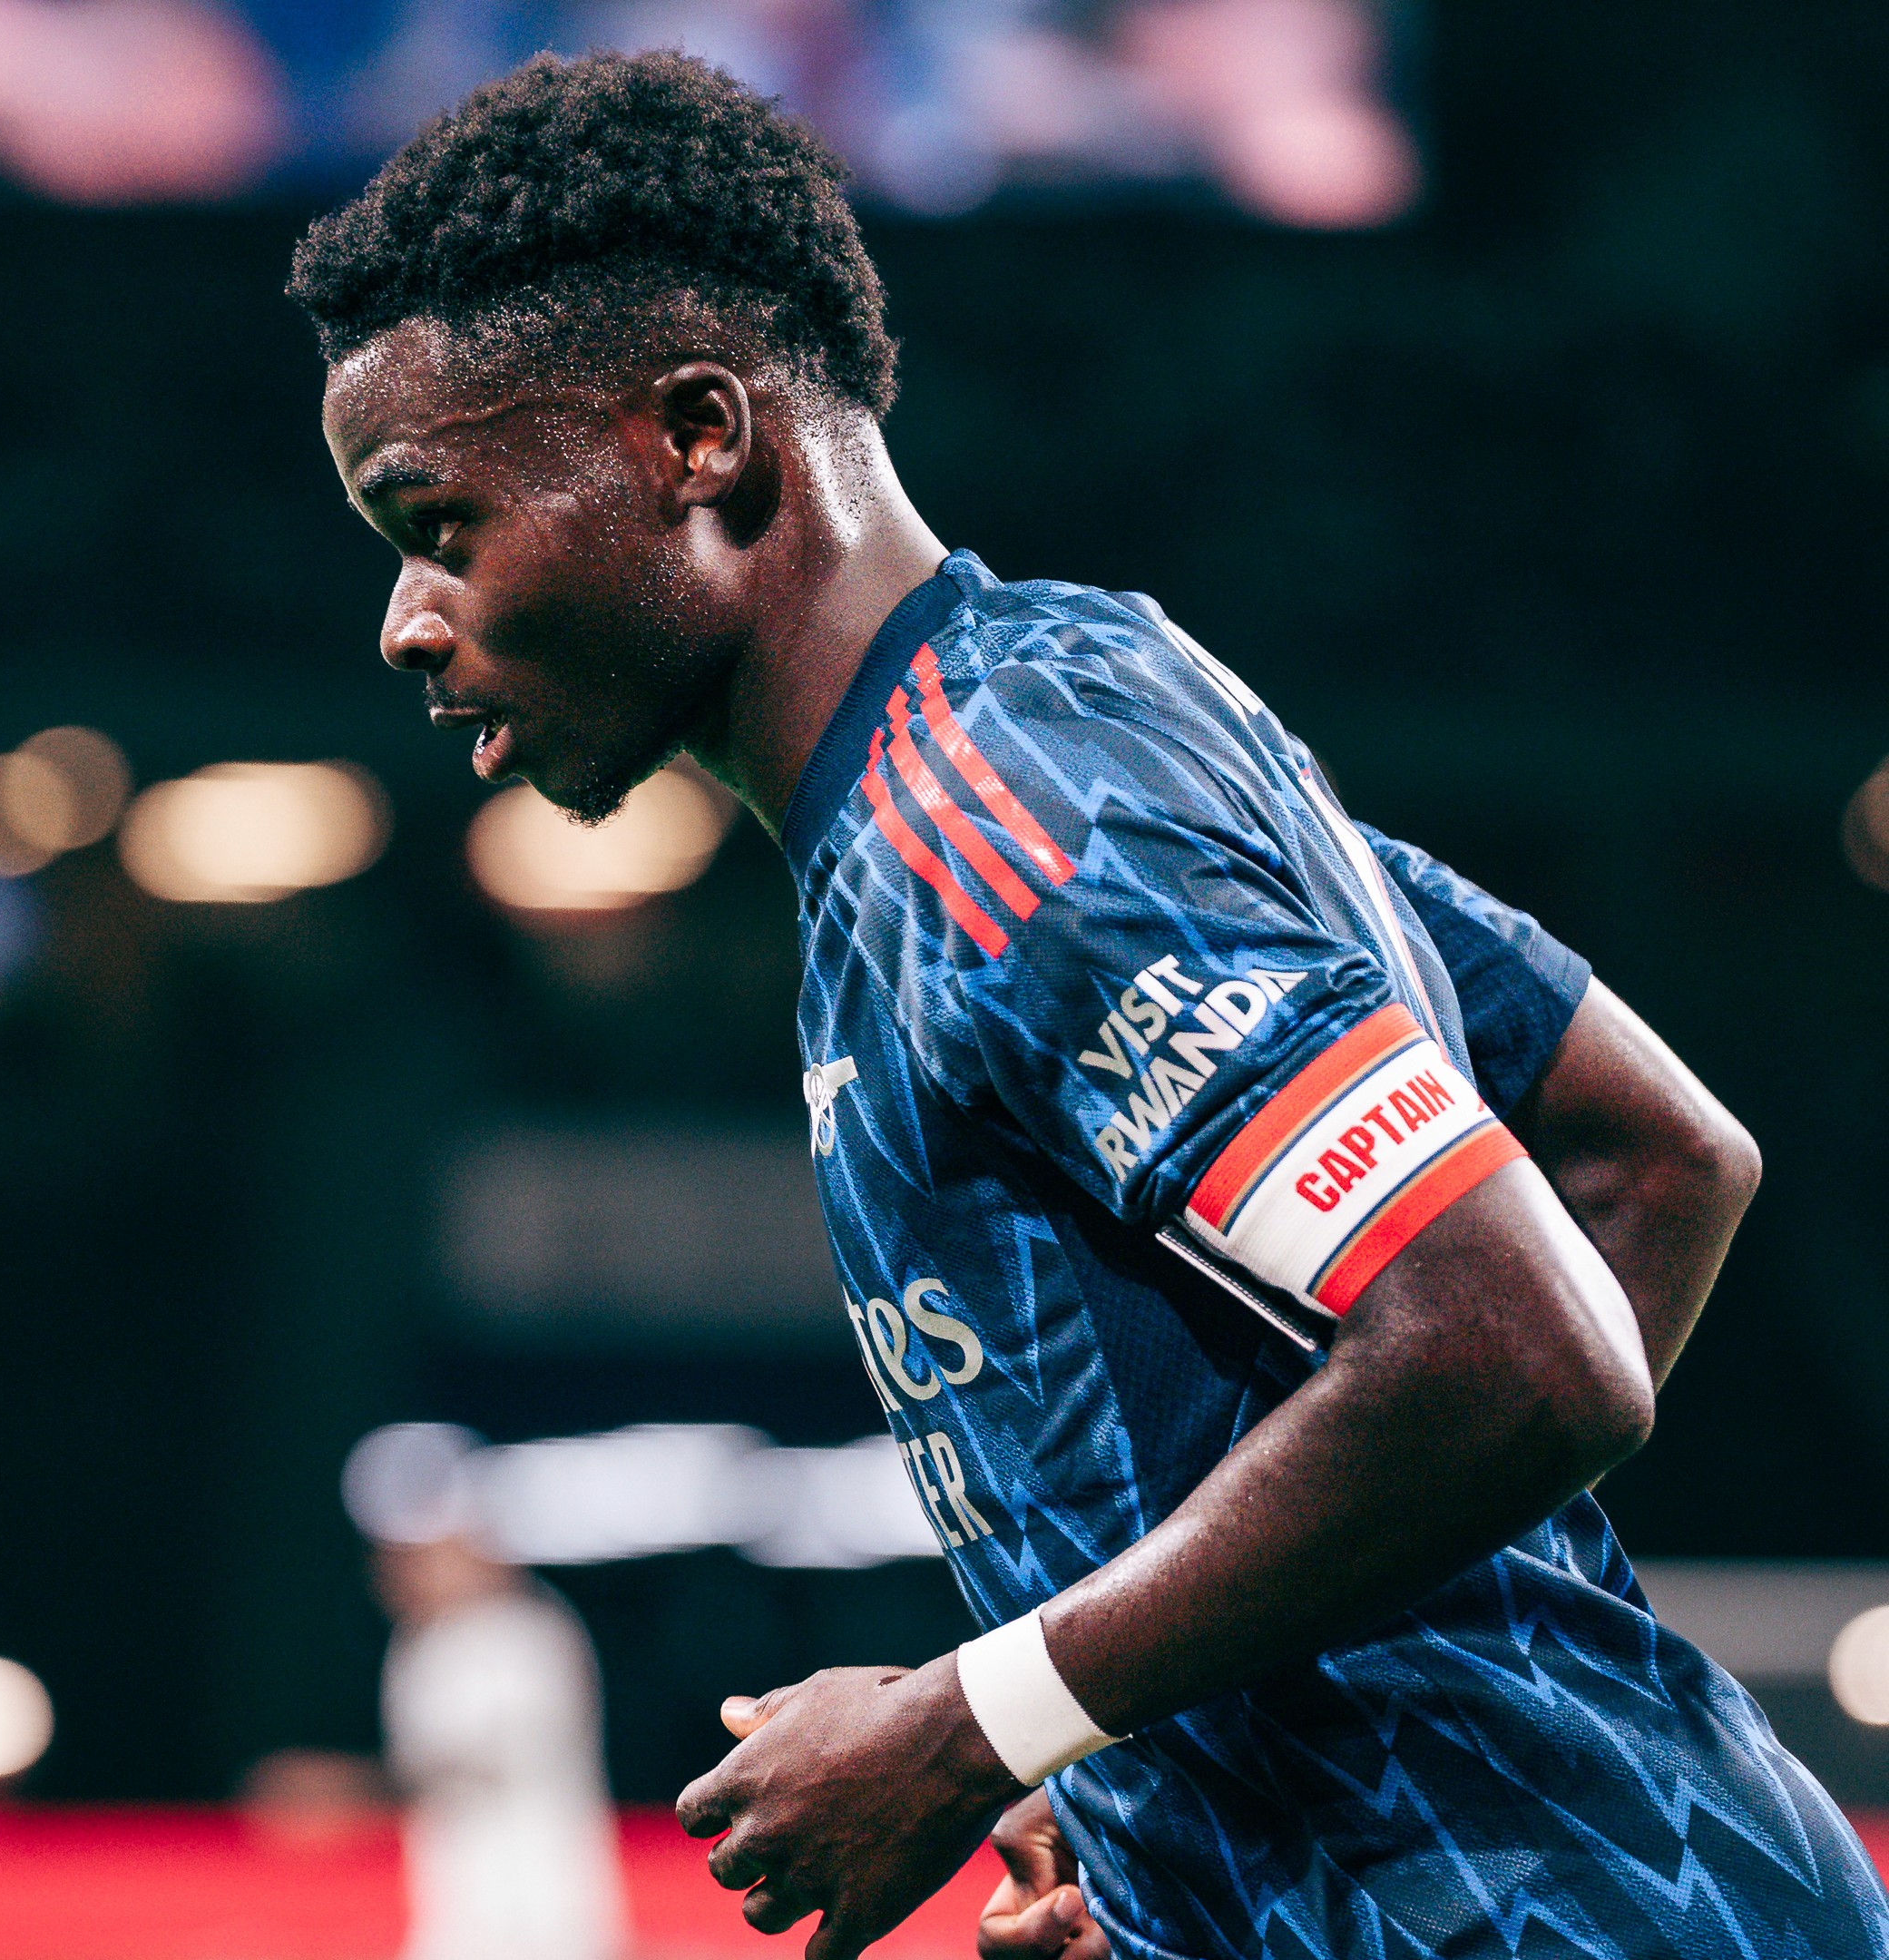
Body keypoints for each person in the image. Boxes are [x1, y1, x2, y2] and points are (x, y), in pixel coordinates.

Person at [288, 48, 1889, 1960]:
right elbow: (1657, 1153)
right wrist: (1166, 1777)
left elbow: (1526, 1342)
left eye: (437, 523)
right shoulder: (1044, 721)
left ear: (698, 436)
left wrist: (977, 1725)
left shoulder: (1018, 812)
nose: (404, 622)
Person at [370, 1532, 629, 1960]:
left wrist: (349, 1785)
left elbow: (482, 1753)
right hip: (461, 1900)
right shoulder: (424, 1640)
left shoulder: (525, 1633)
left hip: (542, 1902)